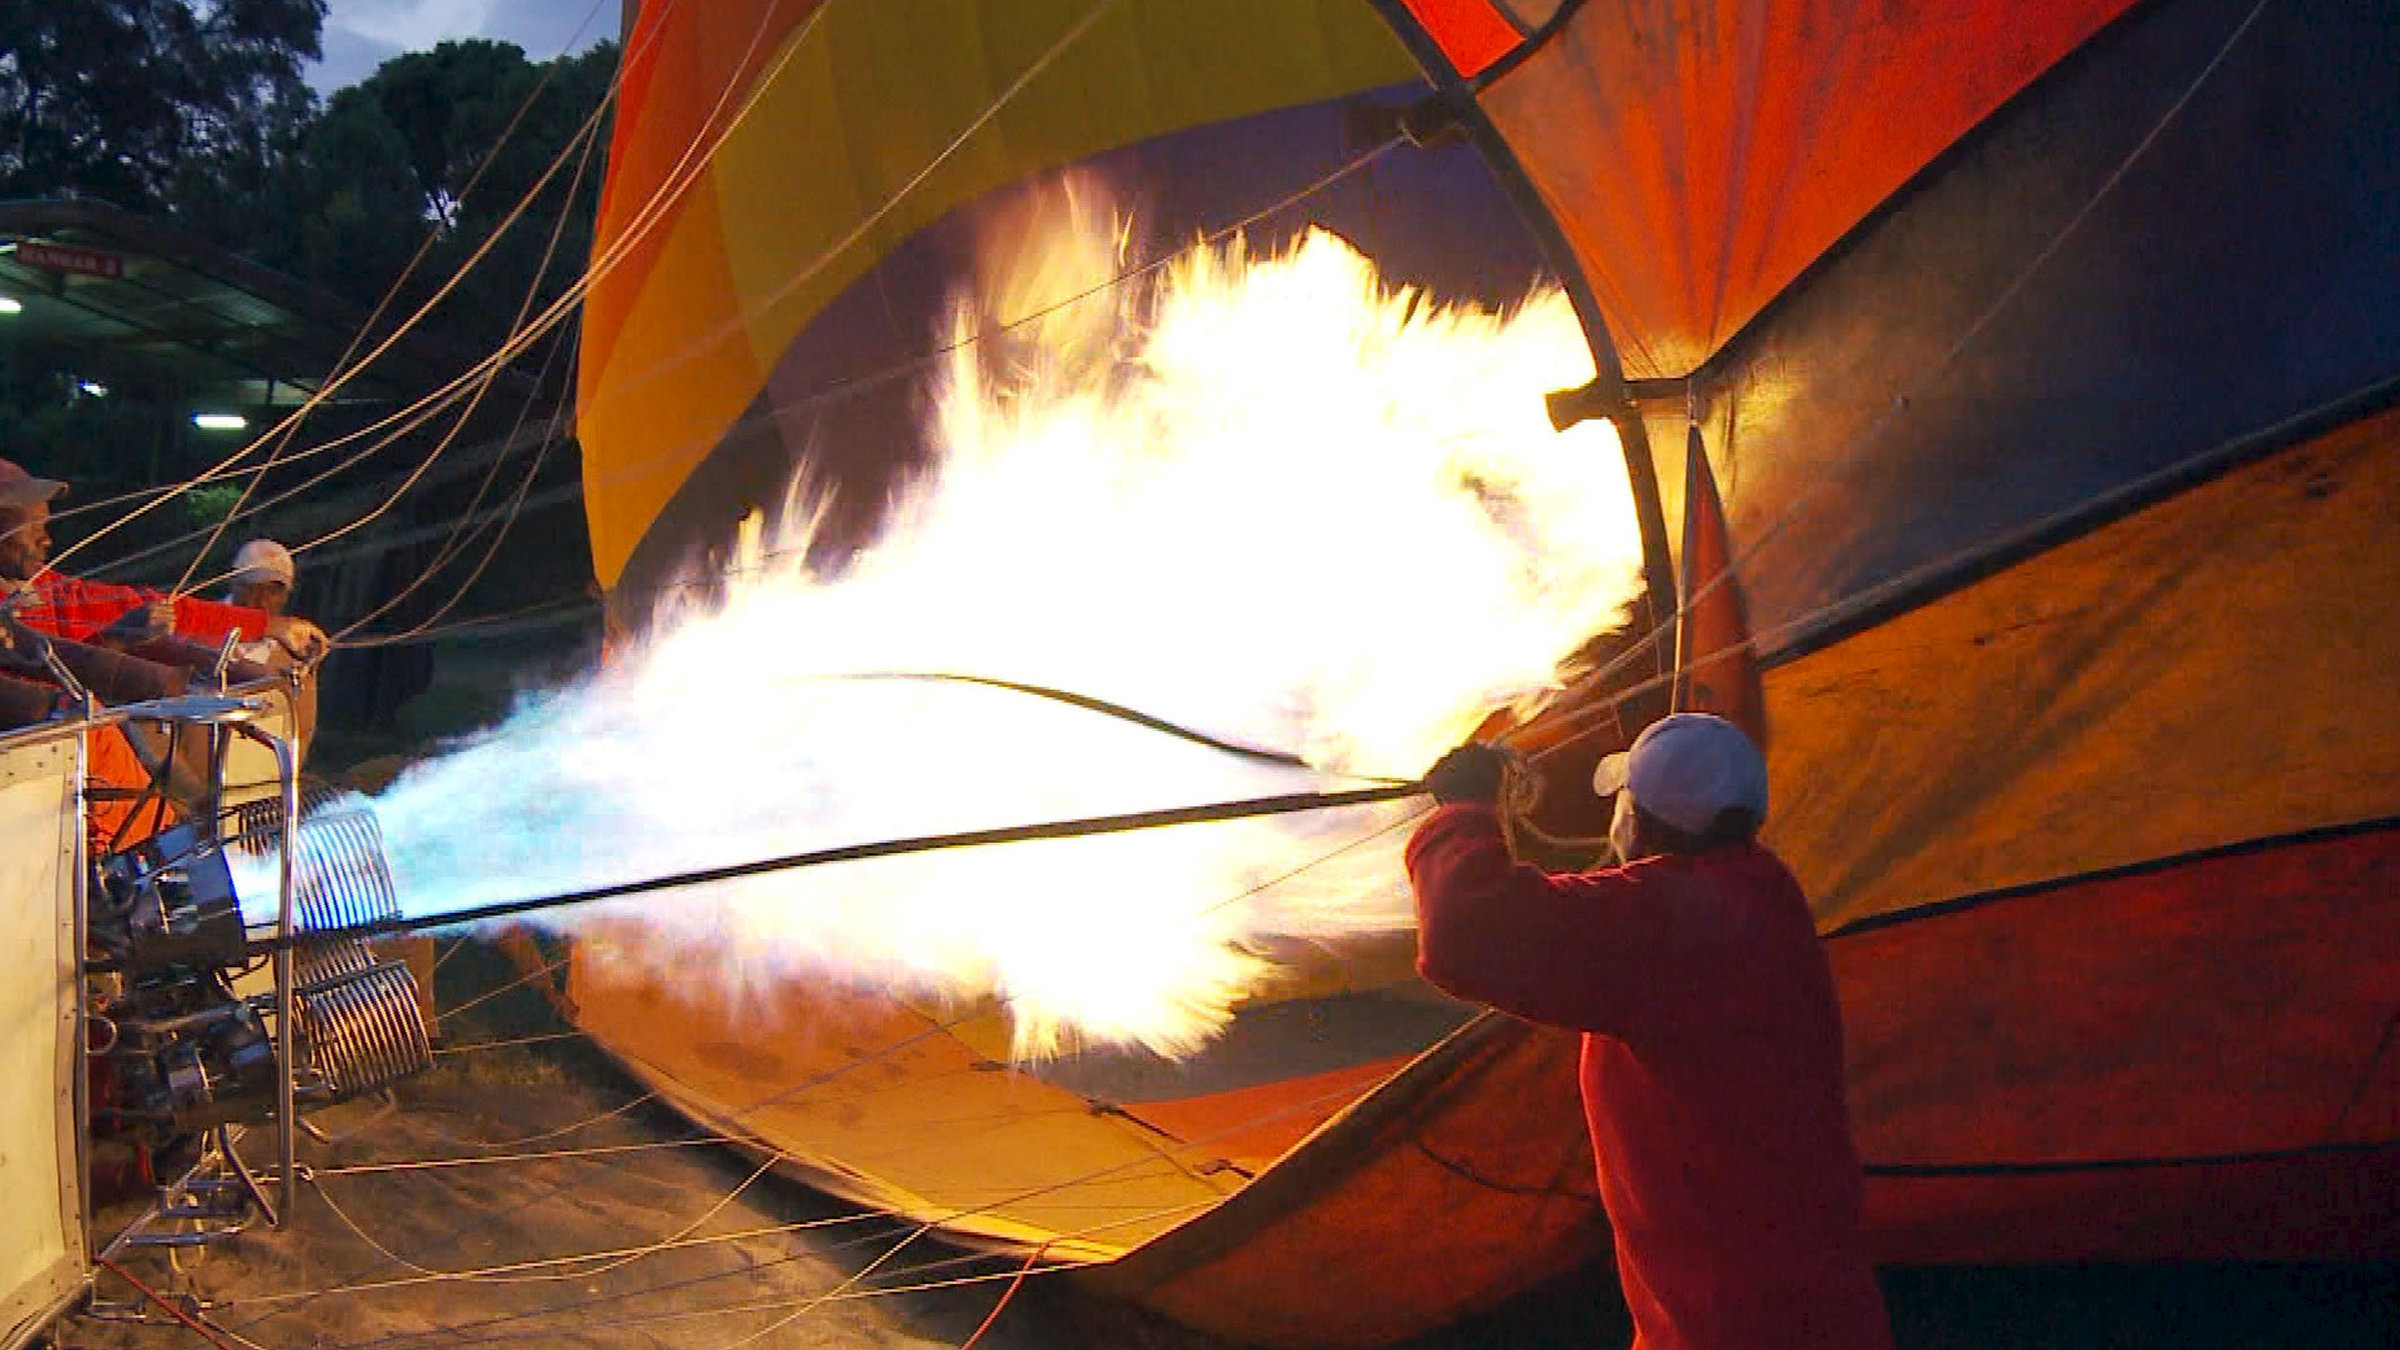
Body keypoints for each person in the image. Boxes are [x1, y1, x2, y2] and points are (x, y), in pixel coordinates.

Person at [1410, 714, 1891, 1350]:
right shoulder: (1753, 892)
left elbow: (1466, 932)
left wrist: (1466, 811)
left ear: (1649, 822)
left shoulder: (1677, 926)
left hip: (1733, 1327)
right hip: (1798, 1308)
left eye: (1627, 802)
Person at [0, 458, 324, 659]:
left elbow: (152, 608)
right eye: (32, 527)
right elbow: (33, 683)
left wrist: (270, 625)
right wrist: (115, 639)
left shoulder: (48, 589)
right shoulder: (21, 605)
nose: (47, 539)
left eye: (274, 589)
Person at [225, 538, 295, 617]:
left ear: (285, 597)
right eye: (253, 589)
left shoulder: (296, 628)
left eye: (273, 592)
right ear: (234, 584)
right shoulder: (211, 622)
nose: (262, 603)